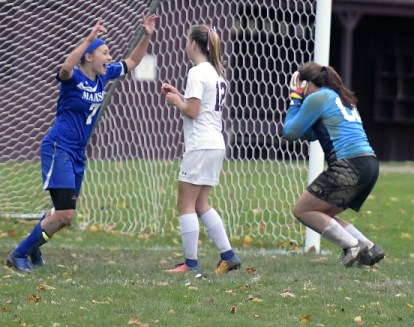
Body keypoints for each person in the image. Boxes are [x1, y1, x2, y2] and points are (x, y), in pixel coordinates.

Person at [5, 14, 158, 273]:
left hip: (77, 154)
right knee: (65, 214)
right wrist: (88, 38)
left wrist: (146, 35)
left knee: (62, 215)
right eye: (104, 52)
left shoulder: (103, 75)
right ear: (89, 56)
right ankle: (19, 254)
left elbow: (132, 61)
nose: (109, 57)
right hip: (59, 148)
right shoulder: (73, 78)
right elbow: (65, 68)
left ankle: (33, 248)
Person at [282, 62, 384, 267]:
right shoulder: (342, 98)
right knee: (323, 214)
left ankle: (352, 246)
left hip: (349, 165)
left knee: (302, 210)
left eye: (299, 85)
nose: (298, 90)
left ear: (307, 84)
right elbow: (310, 133)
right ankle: (368, 247)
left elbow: (290, 132)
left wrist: (294, 102)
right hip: (369, 164)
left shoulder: (317, 97)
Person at [160, 25, 240, 276]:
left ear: (193, 44)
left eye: (187, 40)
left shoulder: (197, 72)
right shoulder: (216, 75)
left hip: (200, 144)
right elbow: (199, 106)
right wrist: (180, 96)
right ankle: (229, 255)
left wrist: (176, 101)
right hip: (215, 142)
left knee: (185, 203)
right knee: (201, 203)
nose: (186, 44)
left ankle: (190, 264)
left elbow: (192, 111)